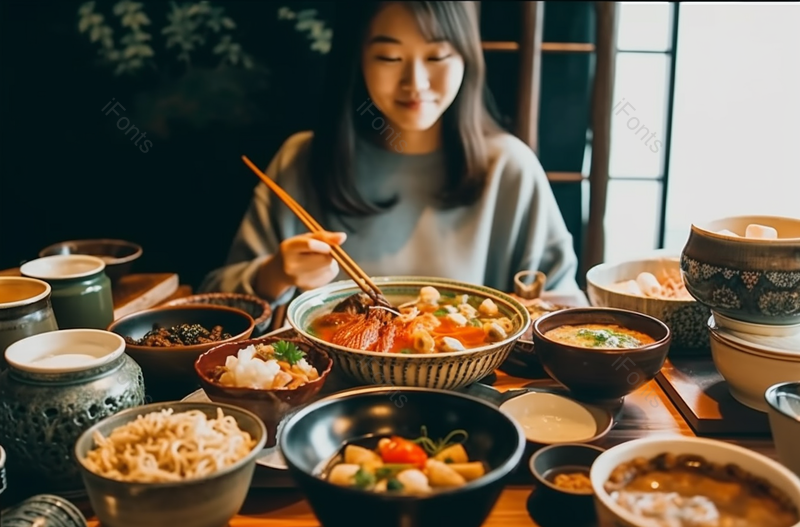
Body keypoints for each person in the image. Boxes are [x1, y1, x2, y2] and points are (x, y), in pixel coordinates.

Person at [200, 1, 579, 307]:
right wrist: (276, 274)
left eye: (437, 57)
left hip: (470, 396)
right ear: (358, 59)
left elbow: (562, 311)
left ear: (467, 58)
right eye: (389, 57)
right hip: (330, 395)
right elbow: (217, 299)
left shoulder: (510, 168)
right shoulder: (303, 158)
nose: (415, 82)